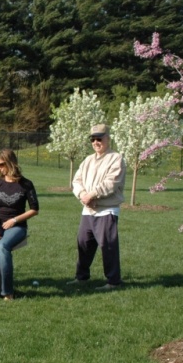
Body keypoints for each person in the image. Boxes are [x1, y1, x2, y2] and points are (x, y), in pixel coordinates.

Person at [69, 123, 126, 291]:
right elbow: (76, 181)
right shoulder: (88, 160)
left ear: (108, 138)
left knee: (108, 246)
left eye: (99, 138)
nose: (96, 142)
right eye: (93, 139)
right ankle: (81, 278)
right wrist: (82, 196)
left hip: (106, 210)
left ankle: (113, 281)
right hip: (88, 209)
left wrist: (92, 195)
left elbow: (111, 183)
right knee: (83, 244)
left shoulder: (116, 158)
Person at [0, 149, 40, 301]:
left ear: (11, 163)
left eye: (1, 164)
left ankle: (7, 291)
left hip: (17, 226)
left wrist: (15, 220)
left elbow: (35, 209)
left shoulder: (26, 184)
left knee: (2, 247)